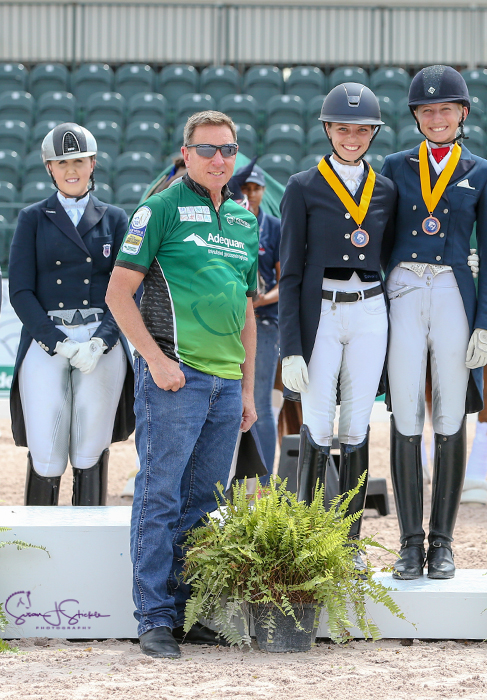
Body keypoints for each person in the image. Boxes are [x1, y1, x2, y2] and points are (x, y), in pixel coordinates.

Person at [106, 110, 259, 659]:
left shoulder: (245, 220)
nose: (219, 159)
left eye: (227, 149)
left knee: (204, 504)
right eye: (207, 149)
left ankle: (189, 612)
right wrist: (154, 361)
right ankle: (153, 617)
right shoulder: (160, 209)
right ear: (185, 153)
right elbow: (117, 294)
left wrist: (246, 390)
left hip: (224, 383)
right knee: (160, 494)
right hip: (175, 378)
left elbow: (246, 311)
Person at [382, 65, 487, 581]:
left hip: (454, 290)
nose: (436, 118)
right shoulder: (392, 165)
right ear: (416, 117)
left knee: (450, 413)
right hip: (404, 288)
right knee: (405, 411)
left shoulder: (483, 172)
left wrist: (486, 322)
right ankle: (410, 542)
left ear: (462, 114)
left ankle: (444, 543)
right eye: (426, 111)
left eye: (445, 110)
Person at [278, 83, 397, 572]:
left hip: (370, 310)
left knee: (356, 426)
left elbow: (388, 256)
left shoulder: (386, 189)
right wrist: (290, 346)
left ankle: (348, 545)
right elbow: (289, 271)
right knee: (316, 422)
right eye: (343, 128)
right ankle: (309, 539)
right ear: (328, 129)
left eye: (362, 130)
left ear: (373, 133)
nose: (352, 137)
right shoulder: (302, 186)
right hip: (322, 310)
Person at [8, 122, 134, 506]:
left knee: (90, 445)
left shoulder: (114, 218)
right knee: (46, 445)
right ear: (49, 168)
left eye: (79, 160)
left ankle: (88, 534)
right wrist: (57, 342)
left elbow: (128, 287)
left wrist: (103, 341)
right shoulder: (33, 217)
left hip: (100, 339)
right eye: (61, 163)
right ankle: (37, 540)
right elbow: (21, 291)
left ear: (93, 163)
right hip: (49, 339)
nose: (71, 169)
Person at [240, 166, 282, 478]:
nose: (250, 193)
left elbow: (286, 280)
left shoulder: (275, 227)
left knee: (262, 403)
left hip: (264, 321)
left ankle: (265, 484)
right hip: (229, 324)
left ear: (263, 190)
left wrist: (258, 299)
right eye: (245, 187)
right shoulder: (229, 221)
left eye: (255, 188)